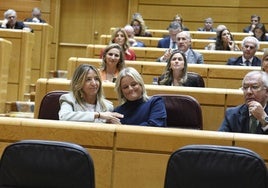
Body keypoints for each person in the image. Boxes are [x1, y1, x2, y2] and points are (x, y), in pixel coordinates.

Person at [59, 64, 123, 123]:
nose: (94, 83)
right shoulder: (69, 99)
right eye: (88, 79)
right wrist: (98, 115)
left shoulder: (108, 106)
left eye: (96, 79)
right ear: (78, 83)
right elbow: (64, 117)